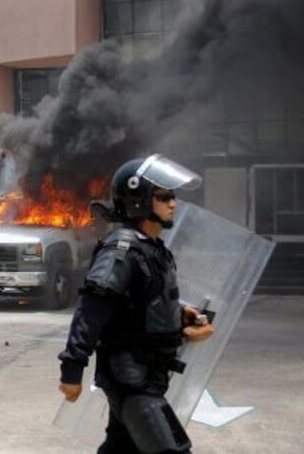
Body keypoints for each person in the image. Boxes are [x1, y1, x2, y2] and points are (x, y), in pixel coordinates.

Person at [58, 154, 214, 454]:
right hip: (131, 377)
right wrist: (72, 369)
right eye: (163, 196)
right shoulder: (122, 249)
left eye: (173, 196)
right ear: (139, 201)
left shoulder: (153, 250)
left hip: (150, 374)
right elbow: (92, 309)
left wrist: (181, 316)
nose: (173, 203)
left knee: (122, 447)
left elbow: (141, 304)